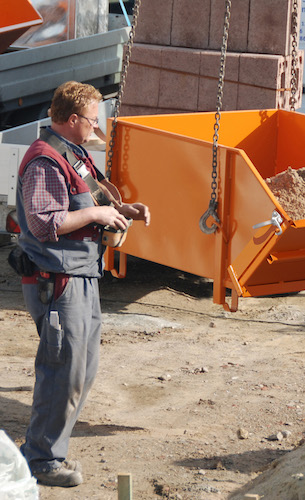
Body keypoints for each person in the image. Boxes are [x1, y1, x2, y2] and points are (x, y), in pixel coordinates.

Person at [16, 81, 151, 487]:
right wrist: (97, 218)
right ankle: (41, 459)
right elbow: (44, 223)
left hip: (81, 275)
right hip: (56, 281)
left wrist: (119, 209)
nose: (96, 128)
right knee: (63, 371)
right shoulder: (44, 161)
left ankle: (46, 451)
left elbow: (86, 200)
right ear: (71, 120)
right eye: (93, 121)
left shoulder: (72, 155)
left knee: (82, 369)